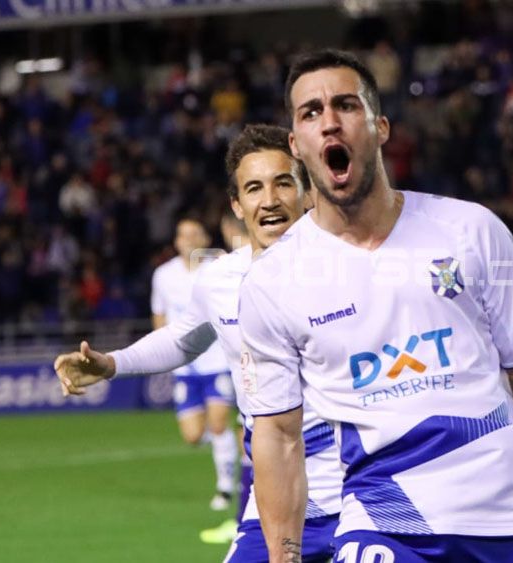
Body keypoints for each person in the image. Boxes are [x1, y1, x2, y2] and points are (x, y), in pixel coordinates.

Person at [237, 50, 513, 563]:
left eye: (346, 105)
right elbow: (277, 434)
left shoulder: (472, 229)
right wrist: (284, 557)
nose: (330, 122)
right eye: (311, 112)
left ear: (380, 127)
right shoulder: (272, 281)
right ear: (296, 145)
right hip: (386, 518)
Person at [54, 124, 341, 563]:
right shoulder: (220, 279)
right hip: (275, 497)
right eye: (254, 188)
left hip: (356, 494)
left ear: (308, 194)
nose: (269, 200)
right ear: (237, 205)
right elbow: (183, 338)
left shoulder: (349, 270)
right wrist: (111, 364)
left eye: (284, 183)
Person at [151, 218, 237, 511]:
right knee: (192, 436)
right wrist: (163, 351)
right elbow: (159, 314)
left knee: (218, 424)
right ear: (176, 241)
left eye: (193, 234)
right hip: (185, 366)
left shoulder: (218, 267)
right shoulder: (163, 275)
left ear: (204, 239)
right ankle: (230, 450)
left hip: (216, 360)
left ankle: (225, 487)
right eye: (182, 235)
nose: (187, 240)